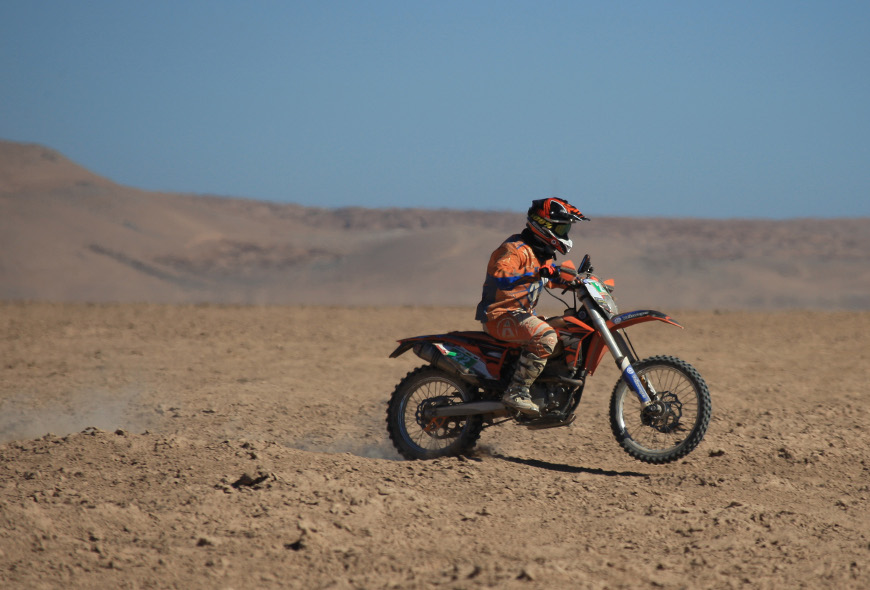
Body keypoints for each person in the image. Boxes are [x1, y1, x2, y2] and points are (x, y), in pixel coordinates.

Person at [475, 197, 588, 415]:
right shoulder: (513, 249)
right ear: (544, 225)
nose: (565, 233)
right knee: (546, 336)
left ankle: (546, 387)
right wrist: (538, 273)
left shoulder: (541, 253)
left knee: (568, 329)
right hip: (499, 317)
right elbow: (500, 274)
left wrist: (577, 282)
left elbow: (550, 278)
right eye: (562, 227)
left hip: (521, 316)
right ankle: (517, 391)